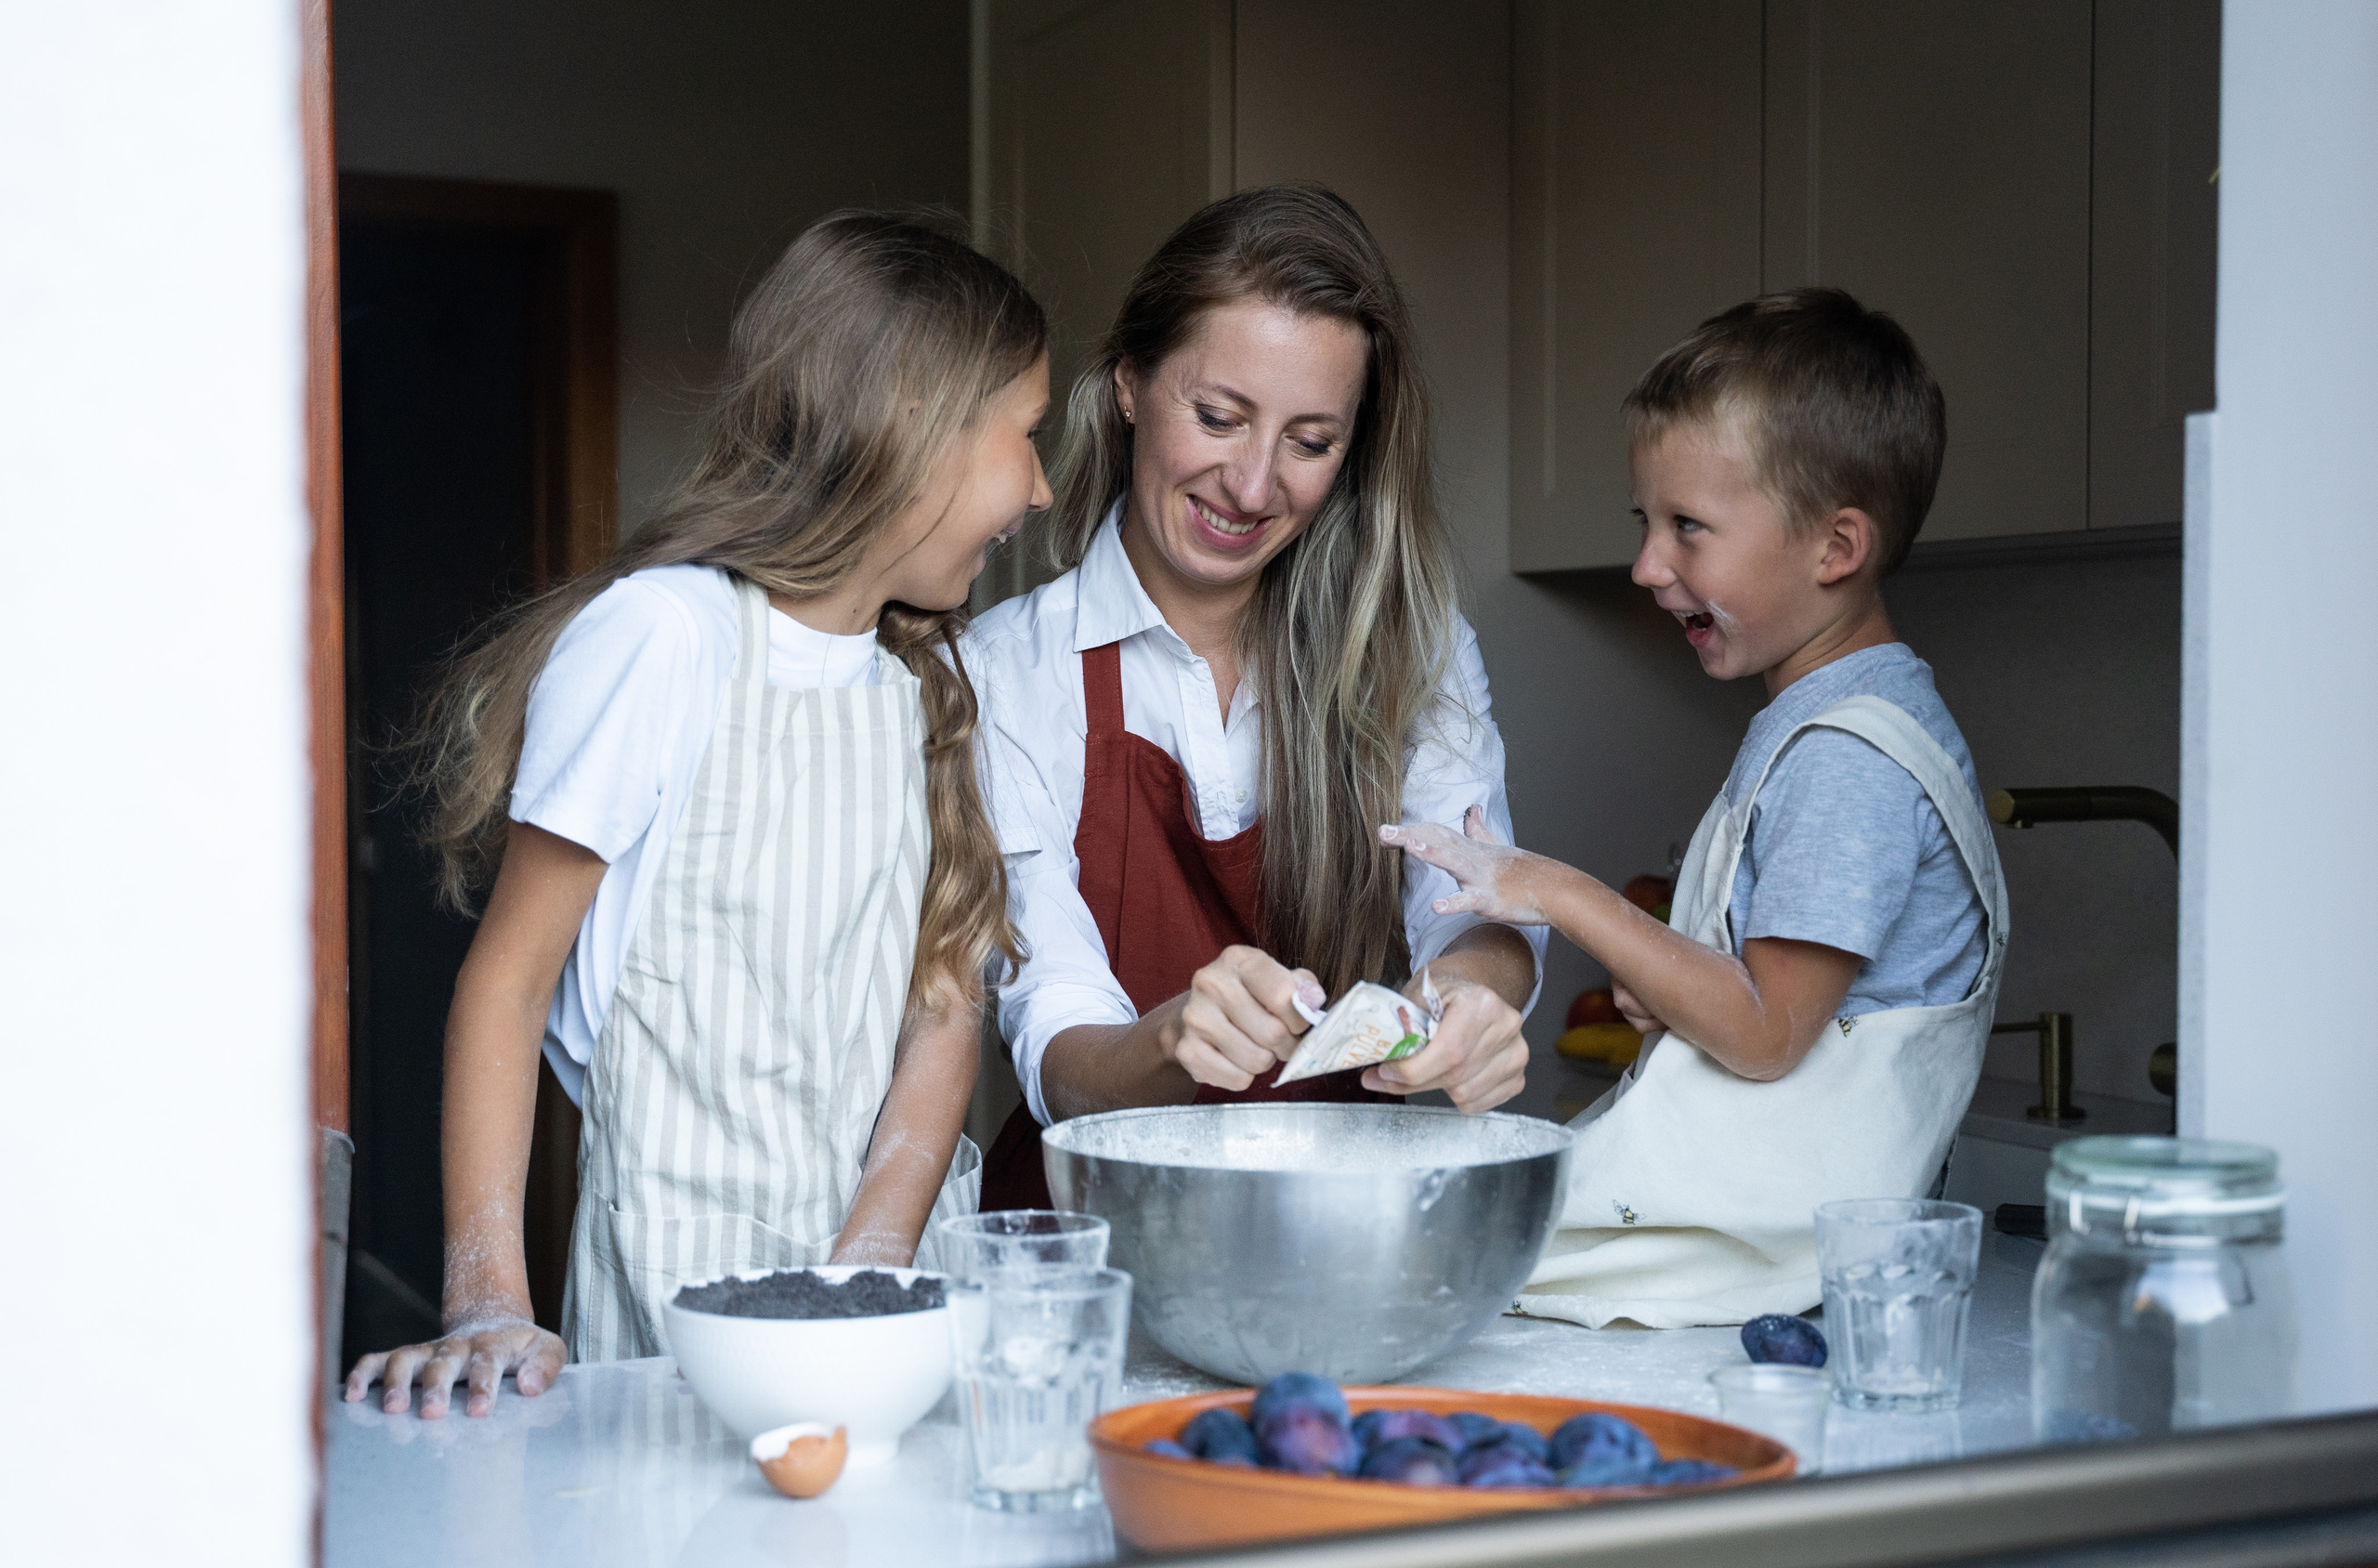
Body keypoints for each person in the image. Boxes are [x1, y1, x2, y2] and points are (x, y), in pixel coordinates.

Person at [343, 213, 1050, 1417]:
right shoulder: (666, 639)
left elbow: (944, 1021)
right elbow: (506, 988)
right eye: (1025, 440)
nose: (1039, 491)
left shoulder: (928, 686)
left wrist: (864, 1284)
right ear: (917, 439)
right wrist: (488, 1302)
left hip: (892, 1333)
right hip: (678, 1328)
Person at [1385, 288, 2006, 1328]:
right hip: (1771, 1251)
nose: (1646, 564)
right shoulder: (1829, 722)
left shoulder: (1849, 756)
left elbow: (1765, 1036)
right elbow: (1761, 1001)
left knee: (1434, 1261)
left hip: (1762, 1264)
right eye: (1645, 522)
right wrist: (1672, 989)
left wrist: (1553, 890)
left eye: (1688, 528)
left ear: (1834, 547)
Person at [968, 184, 1543, 1209]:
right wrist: (1167, 1037)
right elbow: (1053, 1039)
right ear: (1131, 384)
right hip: (1075, 1242)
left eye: (1310, 441)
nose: (1250, 485)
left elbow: (1475, 912)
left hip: (1348, 1226)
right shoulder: (1005, 671)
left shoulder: (1416, 649)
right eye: (1220, 416)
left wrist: (1468, 1007)